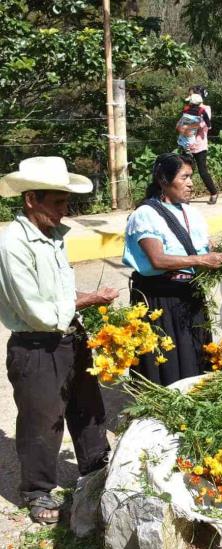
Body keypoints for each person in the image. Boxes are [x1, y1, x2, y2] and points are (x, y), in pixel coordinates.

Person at [0, 157, 119, 523]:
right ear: (31, 199)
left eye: (66, 203)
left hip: (70, 335)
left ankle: (96, 471)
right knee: (42, 422)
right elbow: (39, 311)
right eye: (57, 203)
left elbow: (59, 294)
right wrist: (88, 300)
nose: (64, 211)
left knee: (88, 407)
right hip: (35, 345)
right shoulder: (12, 244)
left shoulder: (53, 237)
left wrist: (86, 307)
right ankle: (37, 492)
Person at [123, 153, 222, 386]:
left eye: (192, 177)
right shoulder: (146, 215)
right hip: (161, 300)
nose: (191, 183)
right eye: (184, 177)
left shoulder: (191, 213)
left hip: (189, 295)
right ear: (163, 180)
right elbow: (157, 260)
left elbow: (202, 249)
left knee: (195, 356)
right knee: (166, 363)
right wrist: (201, 261)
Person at [176, 87, 218, 204]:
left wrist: (189, 125)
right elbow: (181, 123)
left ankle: (213, 192)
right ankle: (184, 197)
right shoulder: (188, 109)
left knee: (202, 171)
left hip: (199, 145)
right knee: (185, 171)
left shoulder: (205, 109)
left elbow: (205, 125)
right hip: (187, 145)